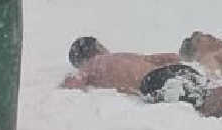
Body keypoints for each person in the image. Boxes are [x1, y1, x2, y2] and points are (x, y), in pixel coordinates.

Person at [62, 36, 201, 99]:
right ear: (97, 47)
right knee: (194, 83)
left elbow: (74, 83)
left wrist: (69, 82)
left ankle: (209, 96)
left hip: (155, 80)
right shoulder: (94, 64)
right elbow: (160, 58)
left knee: (189, 89)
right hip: (156, 77)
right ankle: (210, 93)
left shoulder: (94, 66)